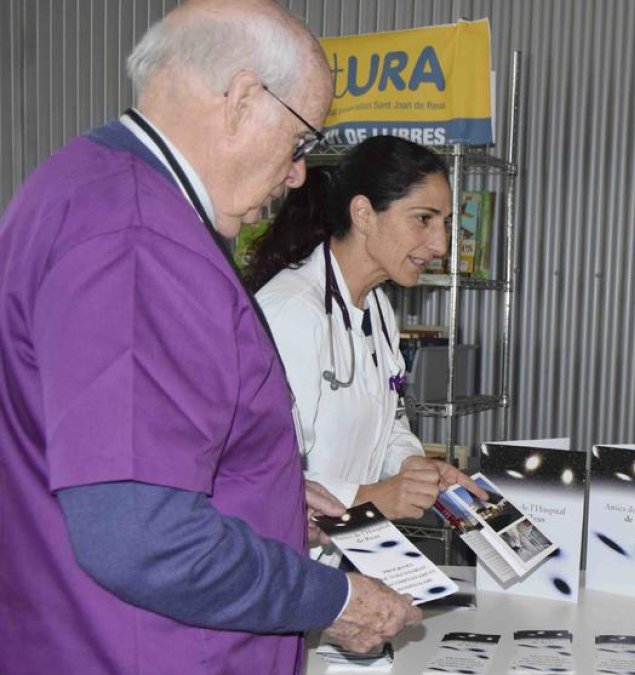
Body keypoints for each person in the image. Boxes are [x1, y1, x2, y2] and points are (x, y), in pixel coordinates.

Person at [0, 2, 421, 673]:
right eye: (302, 140)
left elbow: (122, 457)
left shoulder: (88, 186)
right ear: (244, 98)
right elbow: (139, 535)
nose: (297, 175)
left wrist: (272, 500)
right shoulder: (137, 240)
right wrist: (331, 598)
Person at [243, 137, 486, 565]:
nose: (441, 245)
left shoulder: (376, 306)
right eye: (423, 219)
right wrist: (376, 497)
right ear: (363, 214)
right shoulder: (290, 314)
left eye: (446, 223)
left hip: (349, 551)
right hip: (285, 566)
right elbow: (260, 478)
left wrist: (413, 466)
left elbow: (389, 420)